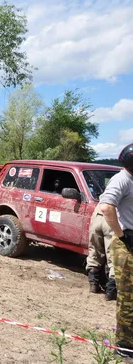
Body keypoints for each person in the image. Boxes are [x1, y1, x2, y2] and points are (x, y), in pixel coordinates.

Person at [106, 143, 133, 360]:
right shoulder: (121, 179)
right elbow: (107, 207)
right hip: (127, 243)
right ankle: (124, 346)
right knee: (128, 296)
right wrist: (123, 235)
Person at [86, 204, 116, 300]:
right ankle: (111, 292)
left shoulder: (107, 190)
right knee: (113, 256)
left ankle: (93, 284)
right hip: (112, 217)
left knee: (94, 251)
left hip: (97, 214)